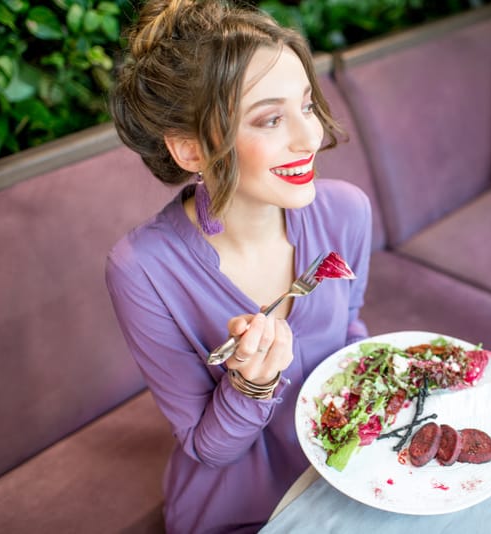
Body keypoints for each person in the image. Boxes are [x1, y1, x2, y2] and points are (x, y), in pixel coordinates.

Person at [105, 1, 372, 532]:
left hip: (345, 477)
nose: (308, 137)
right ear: (190, 149)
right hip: (235, 512)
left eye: (306, 105)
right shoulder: (142, 270)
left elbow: (348, 331)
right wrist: (252, 384)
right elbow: (209, 450)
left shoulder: (346, 211)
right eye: (272, 119)